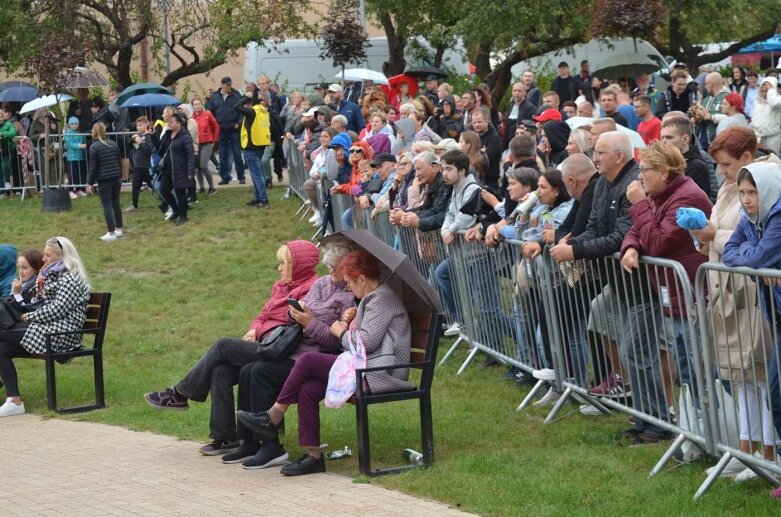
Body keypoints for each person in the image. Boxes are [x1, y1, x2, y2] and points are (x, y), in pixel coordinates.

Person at [237, 249, 412, 476]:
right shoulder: (370, 298)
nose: (348, 288)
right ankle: (314, 458)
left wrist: (341, 333)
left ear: (362, 279)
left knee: (308, 361)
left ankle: (274, 415)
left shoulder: (382, 298)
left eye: (350, 282)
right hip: (365, 367)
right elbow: (366, 337)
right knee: (308, 388)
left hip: (382, 373)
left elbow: (366, 343)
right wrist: (351, 321)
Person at [144, 241, 320, 453]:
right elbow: (263, 315)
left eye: (283, 263)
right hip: (263, 344)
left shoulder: (310, 290)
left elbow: (290, 326)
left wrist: (263, 331)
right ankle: (225, 437)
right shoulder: (281, 286)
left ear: (297, 264)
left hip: (280, 352)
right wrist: (255, 330)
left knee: (222, 345)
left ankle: (179, 394)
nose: (279, 268)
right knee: (221, 371)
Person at [212, 244, 356, 468]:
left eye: (336, 268)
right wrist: (294, 312)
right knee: (248, 370)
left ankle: (271, 446)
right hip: (294, 349)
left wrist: (309, 322)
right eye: (328, 266)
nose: (331, 272)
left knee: (260, 372)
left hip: (314, 356)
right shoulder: (320, 284)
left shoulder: (349, 298)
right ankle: (250, 441)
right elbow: (293, 319)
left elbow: (333, 341)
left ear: (347, 268)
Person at [620, 141, 712, 423]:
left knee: (700, 368)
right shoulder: (660, 195)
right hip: (673, 295)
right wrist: (631, 248)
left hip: (693, 295)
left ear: (663, 171)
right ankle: (697, 427)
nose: (639, 176)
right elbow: (638, 231)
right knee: (685, 366)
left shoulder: (685, 197)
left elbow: (658, 243)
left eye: (644, 170)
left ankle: (712, 428)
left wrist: (638, 206)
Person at [722, 161, 781, 482]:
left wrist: (754, 254)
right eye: (742, 192)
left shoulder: (778, 215)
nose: (745, 199)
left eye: (752, 192)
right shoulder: (751, 218)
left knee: (774, 388)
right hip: (777, 314)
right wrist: (752, 250)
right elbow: (733, 250)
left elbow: (757, 259)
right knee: (776, 390)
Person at [0, 237, 90, 417]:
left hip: (62, 334)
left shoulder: (70, 279)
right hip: (46, 329)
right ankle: (14, 401)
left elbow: (57, 309)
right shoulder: (48, 276)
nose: (43, 259)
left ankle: (14, 401)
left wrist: (28, 316)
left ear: (62, 257)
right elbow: (37, 304)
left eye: (48, 255)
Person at [156, 113, 196, 225]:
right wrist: (153, 135)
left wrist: (190, 171)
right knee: (163, 190)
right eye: (168, 122)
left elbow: (190, 154)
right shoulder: (168, 135)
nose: (169, 124)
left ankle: (184, 217)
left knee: (180, 193)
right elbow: (160, 147)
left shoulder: (185, 136)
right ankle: (176, 209)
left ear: (179, 123)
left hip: (180, 169)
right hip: (168, 169)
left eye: (171, 122)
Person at [659, 117, 713, 199]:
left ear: (685, 139)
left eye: (669, 137)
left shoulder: (696, 166)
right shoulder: (665, 162)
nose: (663, 142)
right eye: (662, 138)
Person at [88, 123, 124, 241]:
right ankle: (119, 229)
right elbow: (119, 161)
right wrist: (120, 175)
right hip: (116, 177)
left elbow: (93, 168)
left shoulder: (94, 147)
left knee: (107, 206)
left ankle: (111, 232)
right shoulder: (114, 144)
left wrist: (90, 182)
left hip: (104, 179)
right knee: (116, 203)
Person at [234, 94, 271, 209]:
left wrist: (246, 97)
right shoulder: (263, 111)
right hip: (260, 145)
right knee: (256, 174)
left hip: (251, 147)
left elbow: (236, 106)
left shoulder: (252, 112)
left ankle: (263, 199)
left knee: (256, 174)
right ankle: (258, 197)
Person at [208, 77, 245, 185]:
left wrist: (239, 123)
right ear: (222, 85)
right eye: (227, 85)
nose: (229, 87)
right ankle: (224, 177)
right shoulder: (215, 97)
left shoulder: (236, 95)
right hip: (221, 130)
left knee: (237, 154)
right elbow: (211, 113)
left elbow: (241, 111)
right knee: (223, 155)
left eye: (230, 85)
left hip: (234, 128)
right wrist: (215, 126)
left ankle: (241, 177)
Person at [126, 116, 154, 212]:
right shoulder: (137, 135)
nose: (138, 127)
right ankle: (134, 204)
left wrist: (140, 142)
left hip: (146, 166)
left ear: (146, 125)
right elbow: (129, 146)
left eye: (141, 125)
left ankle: (166, 200)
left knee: (153, 185)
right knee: (136, 185)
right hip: (137, 165)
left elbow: (148, 151)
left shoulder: (148, 137)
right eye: (137, 125)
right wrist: (132, 139)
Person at [191, 98, 219, 196]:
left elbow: (216, 127)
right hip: (196, 144)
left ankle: (212, 187)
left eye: (199, 104)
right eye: (195, 104)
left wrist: (214, 140)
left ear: (201, 105)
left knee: (203, 165)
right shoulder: (192, 118)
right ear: (192, 106)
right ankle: (202, 187)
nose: (197, 106)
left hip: (207, 143)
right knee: (198, 167)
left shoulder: (208, 114)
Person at [750, 76, 781, 154]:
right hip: (757, 138)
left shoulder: (778, 100)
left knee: (772, 162)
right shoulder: (756, 101)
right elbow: (753, 119)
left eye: (767, 86)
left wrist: (771, 90)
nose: (764, 88)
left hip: (772, 139)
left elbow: (774, 103)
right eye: (763, 85)